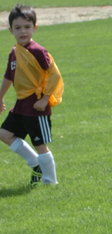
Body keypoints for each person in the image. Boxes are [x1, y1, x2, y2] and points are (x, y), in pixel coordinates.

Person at [0, 4, 63, 186]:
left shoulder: (38, 51)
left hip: (37, 107)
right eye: (18, 27)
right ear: (11, 30)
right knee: (4, 134)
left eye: (27, 27)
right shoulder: (14, 52)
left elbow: (54, 75)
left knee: (40, 144)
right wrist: (0, 96)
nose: (23, 31)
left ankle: (50, 182)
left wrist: (44, 99)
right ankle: (35, 163)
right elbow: (9, 76)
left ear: (34, 28)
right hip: (21, 105)